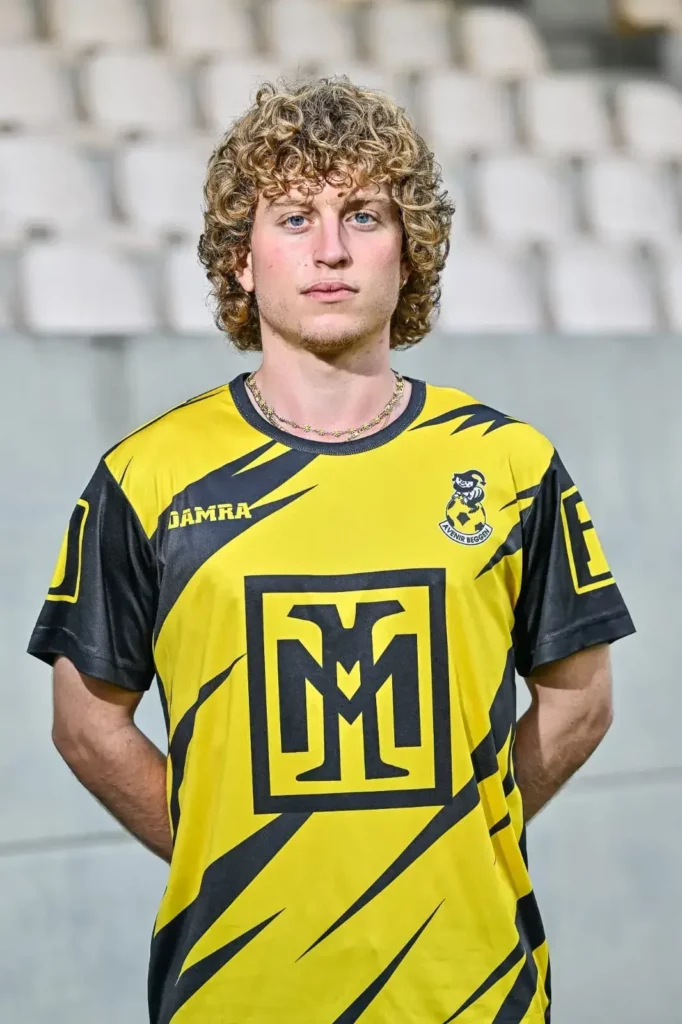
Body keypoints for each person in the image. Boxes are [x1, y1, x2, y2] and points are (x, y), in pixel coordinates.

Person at [28, 77, 635, 1024]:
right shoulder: (144, 478)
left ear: (410, 252)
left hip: (472, 993)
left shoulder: (511, 464)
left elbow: (580, 702)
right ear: (242, 259)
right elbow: (85, 723)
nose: (331, 250)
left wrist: (454, 838)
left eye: (363, 215)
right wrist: (224, 852)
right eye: (293, 216)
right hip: (238, 994)